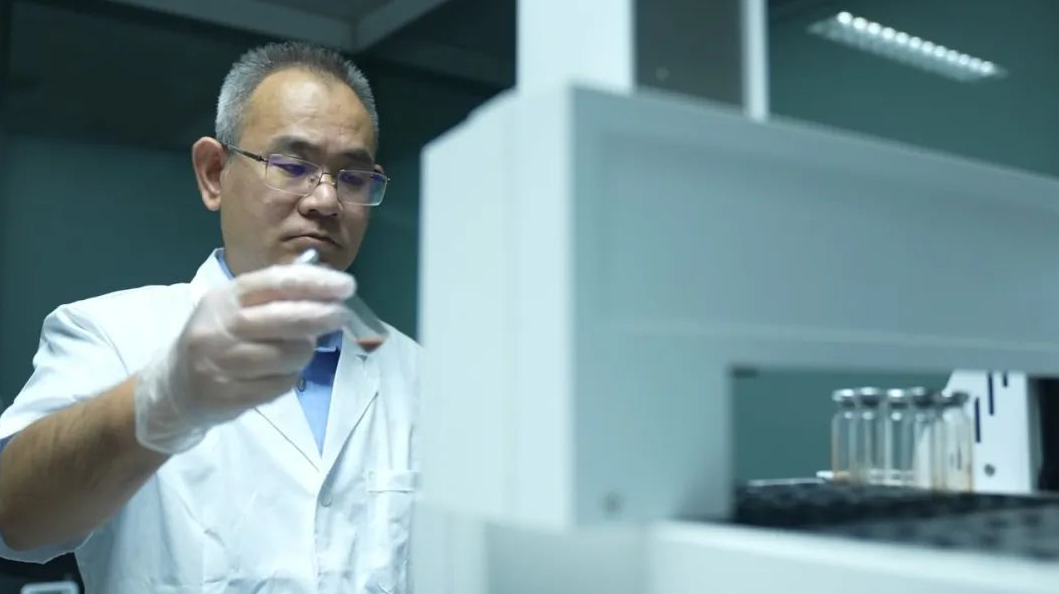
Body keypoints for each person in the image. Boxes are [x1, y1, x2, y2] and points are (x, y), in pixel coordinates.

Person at [0, 41, 420, 594]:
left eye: (353, 177)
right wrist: (162, 398)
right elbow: (14, 520)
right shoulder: (111, 334)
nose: (324, 201)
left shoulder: (419, 375)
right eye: (293, 166)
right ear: (214, 174)